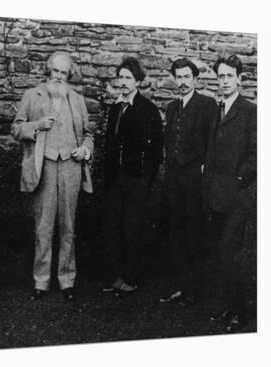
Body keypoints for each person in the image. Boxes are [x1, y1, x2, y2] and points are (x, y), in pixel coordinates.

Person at [11, 51, 95, 302]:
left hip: (70, 166)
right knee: (43, 227)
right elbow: (16, 128)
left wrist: (85, 149)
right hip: (44, 166)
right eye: (55, 72)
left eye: (64, 73)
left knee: (68, 227)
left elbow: (89, 134)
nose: (59, 77)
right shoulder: (32, 95)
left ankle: (67, 280)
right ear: (49, 71)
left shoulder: (77, 99)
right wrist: (36, 126)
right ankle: (41, 281)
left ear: (69, 75)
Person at [101, 56, 163, 297]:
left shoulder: (148, 110)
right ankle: (118, 275)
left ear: (138, 81)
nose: (123, 82)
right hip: (115, 180)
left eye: (128, 78)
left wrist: (146, 178)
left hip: (137, 179)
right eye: (121, 77)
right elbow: (111, 144)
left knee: (132, 229)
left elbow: (156, 149)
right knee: (113, 227)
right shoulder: (116, 108)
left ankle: (132, 278)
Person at [202, 55, 256, 332]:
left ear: (239, 79)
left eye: (228, 76)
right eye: (220, 77)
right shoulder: (216, 108)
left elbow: (257, 154)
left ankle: (240, 313)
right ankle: (227, 306)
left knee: (231, 253)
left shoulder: (250, 111)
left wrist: (239, 178)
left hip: (237, 196)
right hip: (214, 194)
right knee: (219, 253)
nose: (223, 81)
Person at [159, 58, 217, 306]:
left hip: (195, 178)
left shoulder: (207, 104)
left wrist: (204, 167)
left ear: (195, 79)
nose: (182, 82)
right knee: (176, 231)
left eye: (186, 77)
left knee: (195, 232)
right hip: (174, 179)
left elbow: (213, 141)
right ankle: (181, 286)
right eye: (178, 77)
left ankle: (196, 290)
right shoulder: (172, 107)